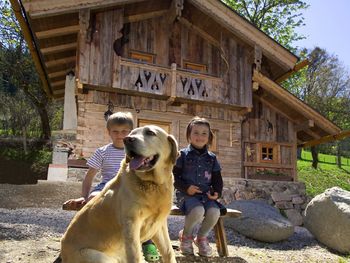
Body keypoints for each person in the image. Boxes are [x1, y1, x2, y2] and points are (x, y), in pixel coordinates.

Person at [63, 111, 159, 262]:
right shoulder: (102, 152)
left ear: (131, 132)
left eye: (124, 131)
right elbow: (89, 177)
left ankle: (147, 241)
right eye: (115, 131)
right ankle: (96, 238)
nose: (120, 135)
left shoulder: (139, 152)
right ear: (109, 132)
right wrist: (84, 196)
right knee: (94, 199)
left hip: (131, 189)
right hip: (106, 188)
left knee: (141, 209)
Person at [173, 116, 224, 257]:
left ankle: (201, 238)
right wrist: (185, 187)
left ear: (209, 137)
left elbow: (217, 179)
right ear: (189, 135)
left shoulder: (212, 158)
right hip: (186, 195)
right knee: (198, 210)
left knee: (215, 212)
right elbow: (173, 177)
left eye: (204, 133)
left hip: (206, 195)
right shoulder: (182, 155)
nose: (200, 136)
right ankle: (186, 237)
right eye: (195, 132)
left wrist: (217, 193)